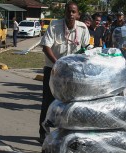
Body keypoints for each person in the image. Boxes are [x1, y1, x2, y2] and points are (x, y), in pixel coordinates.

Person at [38, 1, 90, 143]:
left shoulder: (83, 28)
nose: (71, 14)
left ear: (78, 14)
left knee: (70, 103)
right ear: (65, 13)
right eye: (68, 11)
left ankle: (66, 133)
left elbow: (87, 49)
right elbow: (46, 47)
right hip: (53, 70)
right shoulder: (54, 26)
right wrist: (58, 64)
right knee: (48, 101)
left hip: (73, 73)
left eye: (74, 12)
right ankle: (43, 132)